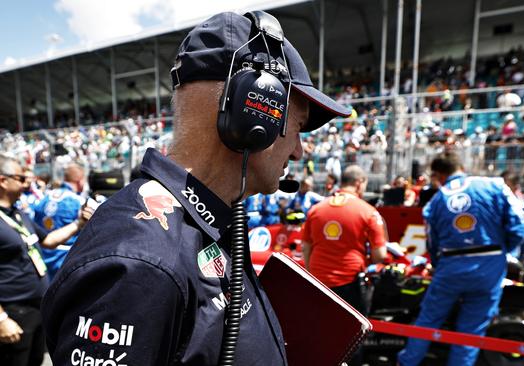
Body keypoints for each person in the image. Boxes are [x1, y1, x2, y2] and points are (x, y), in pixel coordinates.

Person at [41, 11, 350, 366]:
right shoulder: (141, 263)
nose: (298, 150)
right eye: (297, 127)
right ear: (253, 113)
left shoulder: (210, 221)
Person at [398, 151, 524, 366]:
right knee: (471, 330)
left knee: (428, 321)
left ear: (439, 175)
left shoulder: (435, 201)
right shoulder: (494, 185)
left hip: (451, 265)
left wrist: (439, 266)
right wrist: (503, 251)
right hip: (489, 264)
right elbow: (520, 225)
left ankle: (407, 363)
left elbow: (432, 243)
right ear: (461, 167)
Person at [0, 155, 94, 366]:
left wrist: (79, 223)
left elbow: (48, 240)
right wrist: (1, 319)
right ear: (3, 181)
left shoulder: (18, 214)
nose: (27, 183)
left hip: (35, 308)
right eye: (21, 178)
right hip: (13, 311)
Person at [302, 165, 387, 312]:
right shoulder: (368, 212)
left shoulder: (316, 209)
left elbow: (306, 248)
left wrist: (313, 274)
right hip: (350, 283)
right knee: (350, 333)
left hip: (318, 281)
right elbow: (380, 255)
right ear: (359, 183)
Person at [33, 163, 87, 278]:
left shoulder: (43, 198)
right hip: (65, 259)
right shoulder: (79, 202)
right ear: (80, 180)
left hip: (42, 256)